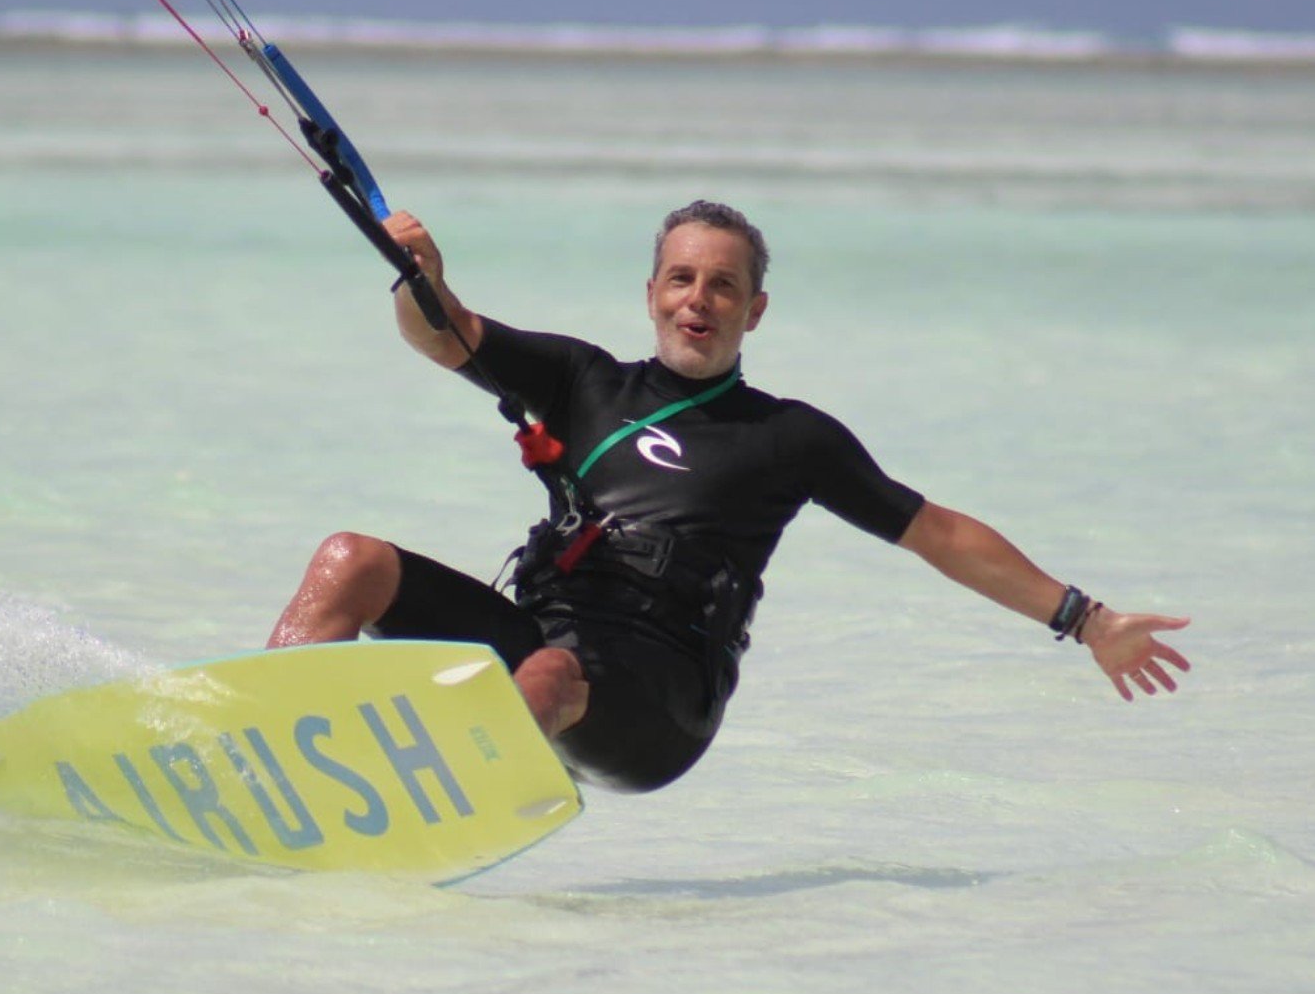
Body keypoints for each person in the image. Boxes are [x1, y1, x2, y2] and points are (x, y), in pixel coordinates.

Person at [269, 200, 1191, 792]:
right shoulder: (584, 383)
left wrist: (1085, 620)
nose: (697, 300)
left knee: (550, 677)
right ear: (651, 294)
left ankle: (433, 805)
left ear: (753, 310)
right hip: (546, 645)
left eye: (723, 285)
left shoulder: (788, 437)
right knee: (352, 561)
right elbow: (446, 333)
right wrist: (416, 277)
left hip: (657, 707)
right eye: (681, 279)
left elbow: (938, 533)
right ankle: (265, 749)